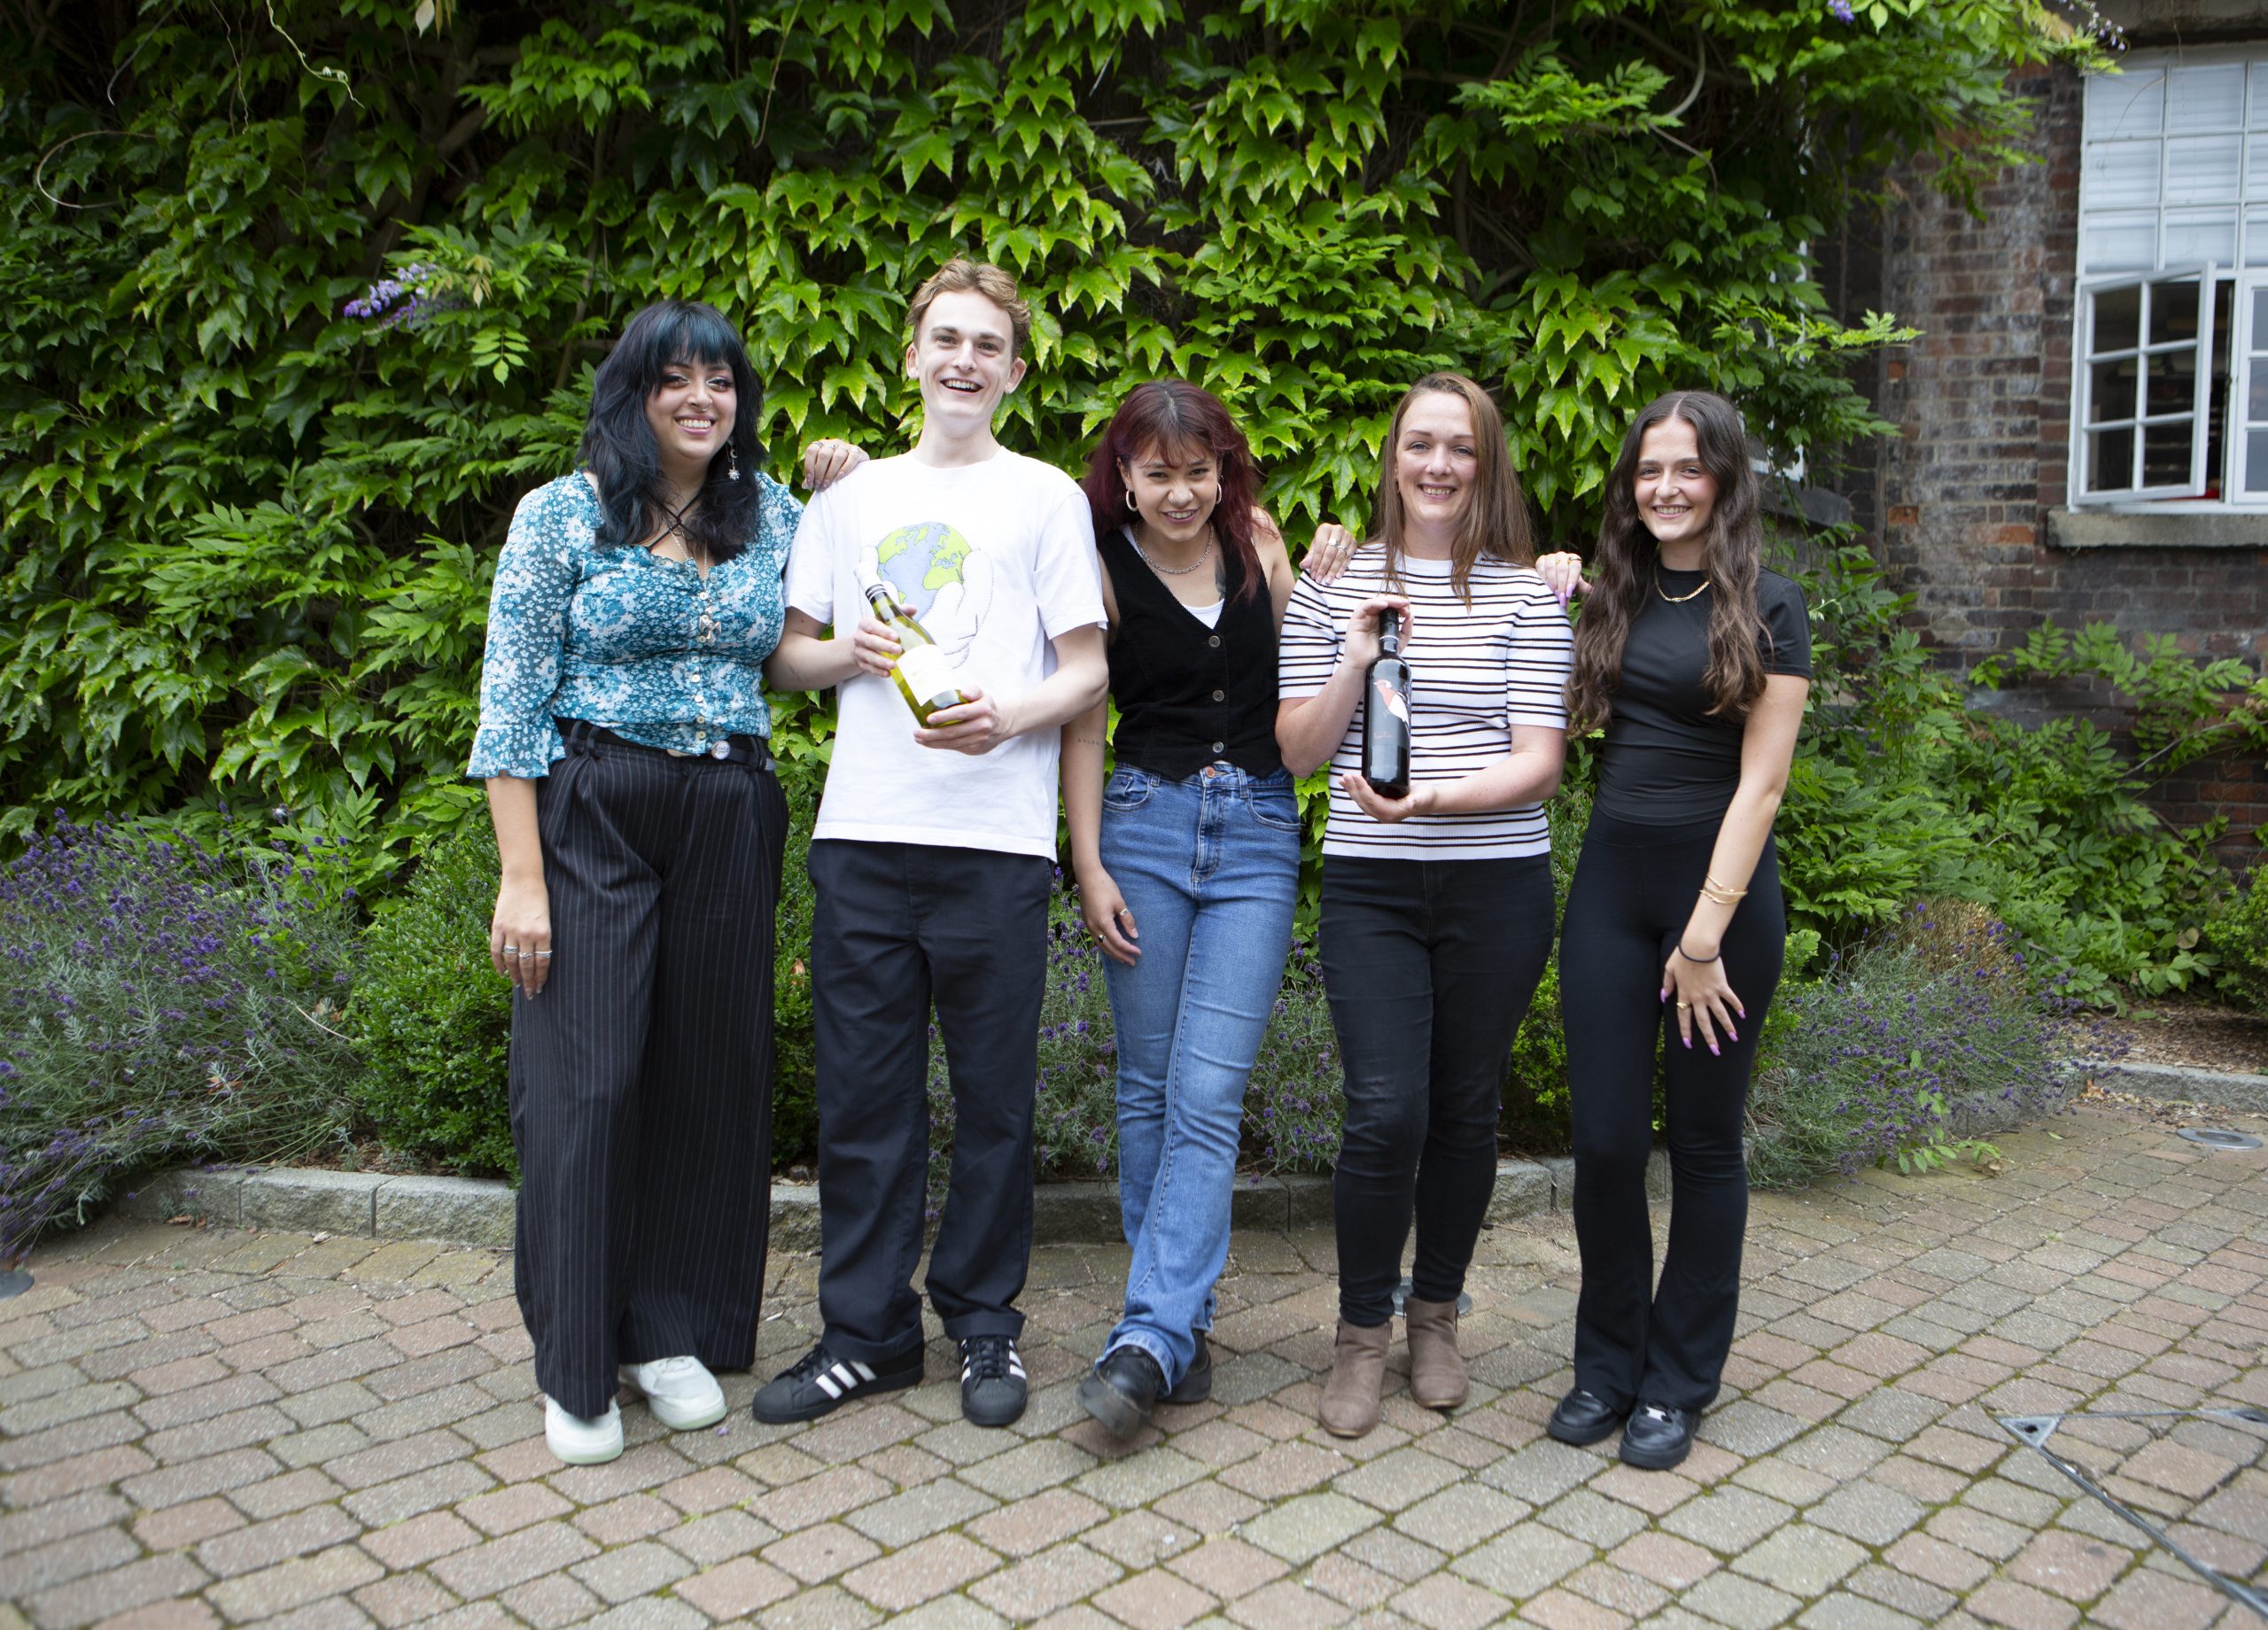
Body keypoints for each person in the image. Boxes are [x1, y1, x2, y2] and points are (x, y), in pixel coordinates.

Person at [470, 299, 864, 1466]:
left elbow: (866, 569)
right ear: (633, 392)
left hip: (729, 807)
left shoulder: (771, 515)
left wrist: (844, 477)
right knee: (588, 1085)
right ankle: (579, 1359)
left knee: (707, 1074)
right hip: (593, 804)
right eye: (676, 379)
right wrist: (521, 878)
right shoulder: (563, 516)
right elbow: (509, 703)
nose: (702, 400)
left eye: (723, 383)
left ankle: (669, 1331)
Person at [756, 259, 1108, 1430]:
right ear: (911, 356)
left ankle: (985, 1327)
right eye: (943, 338)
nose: (963, 359)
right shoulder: (845, 503)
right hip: (863, 839)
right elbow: (786, 658)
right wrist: (843, 653)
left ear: (1013, 371)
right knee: (865, 1104)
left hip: (996, 847)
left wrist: (1005, 715)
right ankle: (866, 1337)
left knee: (997, 1105)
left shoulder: (1048, 497)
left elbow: (1090, 666)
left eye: (986, 345)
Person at [1276, 372, 1573, 1439]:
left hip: (1497, 883)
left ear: (1484, 464)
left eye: (1461, 448)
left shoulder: (1529, 595)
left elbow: (1539, 764)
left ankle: (1435, 1314)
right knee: (1385, 1109)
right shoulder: (1331, 583)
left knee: (1463, 1109)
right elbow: (1300, 751)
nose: (1439, 466)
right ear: (1391, 458)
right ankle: (1362, 1332)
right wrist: (1353, 655)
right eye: (1420, 446)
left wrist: (1433, 800)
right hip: (1372, 882)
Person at [1060, 383, 1356, 1440]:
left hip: (1258, 838)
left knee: (1205, 1089)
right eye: (1157, 472)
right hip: (1140, 825)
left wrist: (1330, 564)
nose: (1179, 491)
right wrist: (1087, 860)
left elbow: (1313, 673)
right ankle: (1173, 1334)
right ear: (1125, 479)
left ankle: (1150, 1332)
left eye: (1199, 470)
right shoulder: (1095, 562)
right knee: (1146, 1088)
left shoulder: (1261, 549)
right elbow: (1084, 722)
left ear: (1224, 472)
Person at [1535, 390, 1811, 1471]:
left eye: (1685, 469)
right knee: (1603, 1143)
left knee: (1700, 1147)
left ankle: (1678, 1380)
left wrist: (1701, 939)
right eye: (1648, 469)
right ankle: (1606, 1362)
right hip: (1609, 893)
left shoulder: (1773, 606)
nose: (1663, 487)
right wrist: (1557, 588)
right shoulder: (1612, 597)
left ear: (1723, 479)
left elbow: (1764, 784)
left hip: (1723, 910)